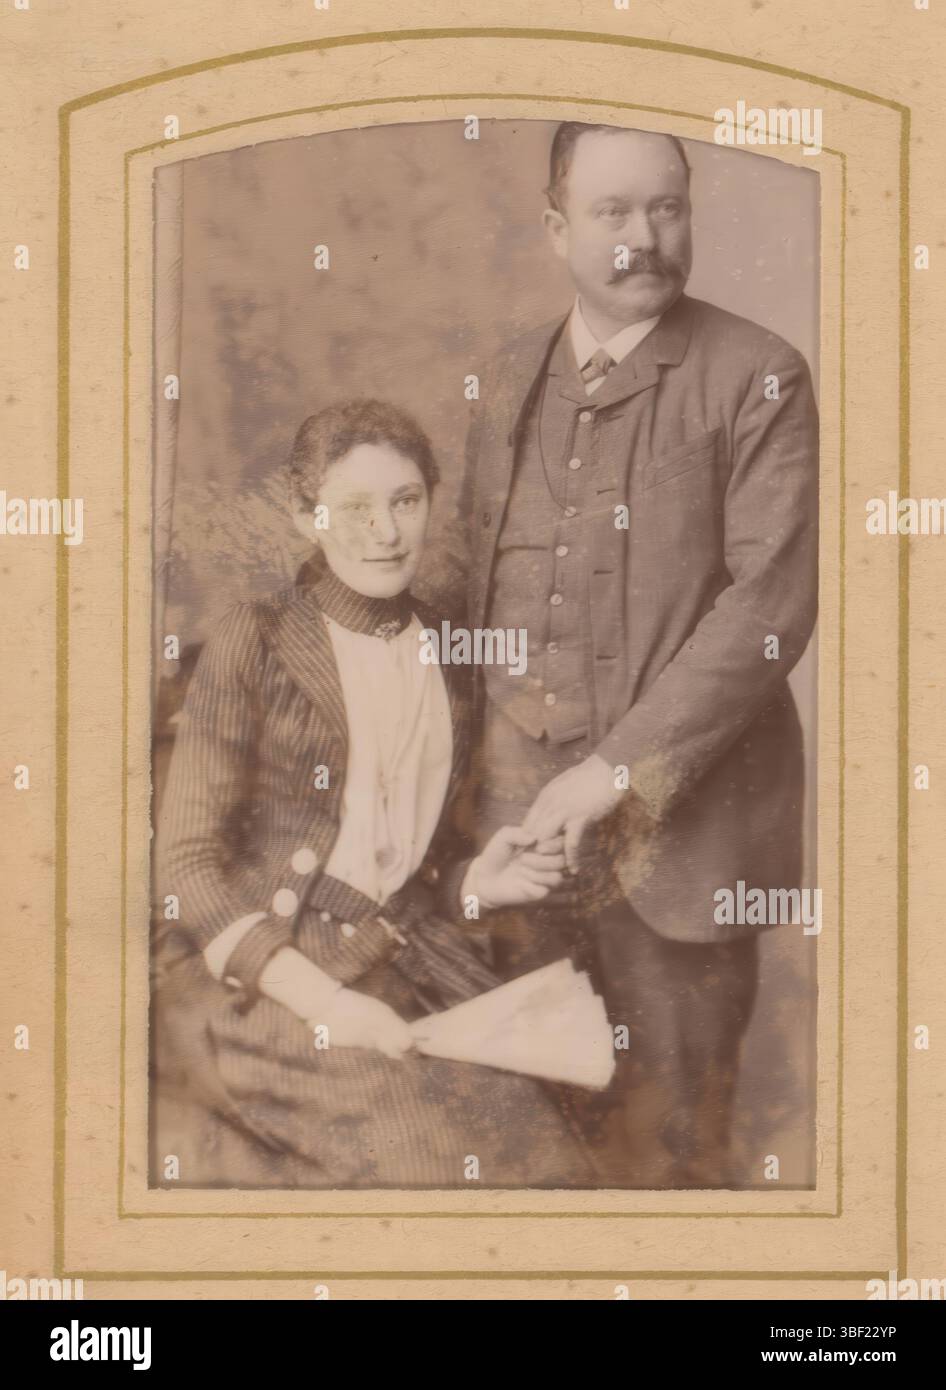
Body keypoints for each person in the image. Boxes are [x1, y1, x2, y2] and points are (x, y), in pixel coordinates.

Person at [459, 124, 819, 1187]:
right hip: (519, 849)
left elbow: (768, 612)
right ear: (557, 227)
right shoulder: (502, 380)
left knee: (668, 1161)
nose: (645, 237)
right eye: (613, 213)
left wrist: (609, 773)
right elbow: (459, 595)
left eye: (667, 208)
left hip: (685, 855)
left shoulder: (759, 376)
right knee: (531, 1150)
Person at [151, 398, 594, 1189]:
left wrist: (475, 883)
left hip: (411, 955)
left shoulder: (449, 653)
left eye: (406, 501)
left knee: (551, 1158)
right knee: (423, 1164)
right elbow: (185, 865)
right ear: (304, 513)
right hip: (269, 977)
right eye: (354, 508)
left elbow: (411, 860)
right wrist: (324, 1004)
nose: (386, 533)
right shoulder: (254, 635)